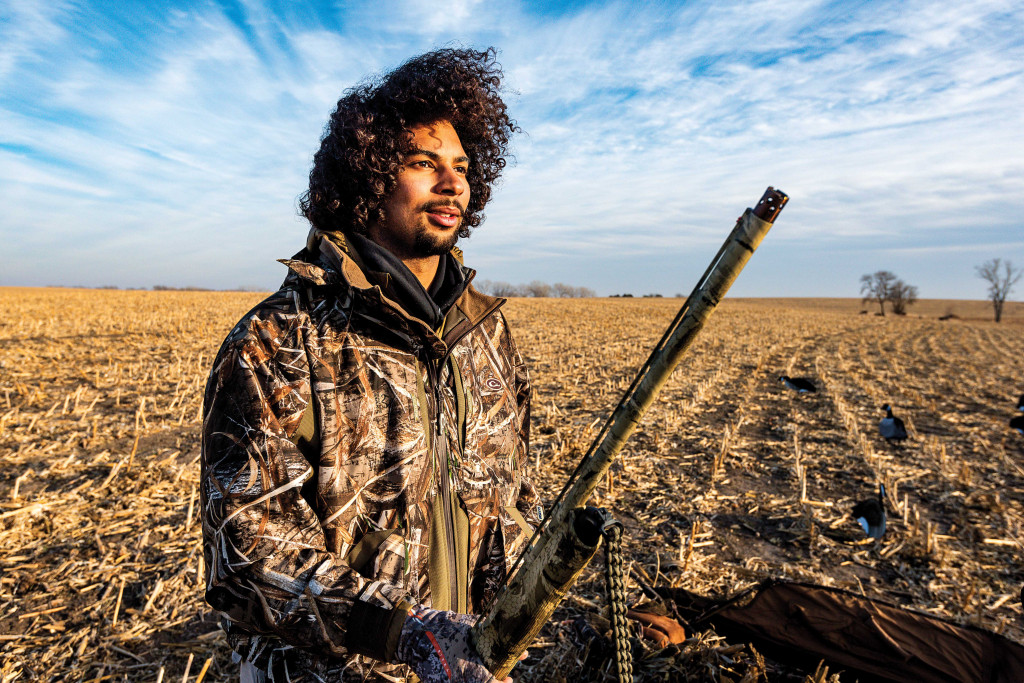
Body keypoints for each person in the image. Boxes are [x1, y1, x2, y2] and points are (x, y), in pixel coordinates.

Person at [200, 48, 541, 682]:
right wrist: (404, 633)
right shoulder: (277, 341)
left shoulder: (485, 333)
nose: (453, 183)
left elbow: (515, 498)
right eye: (423, 163)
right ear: (366, 179)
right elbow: (244, 548)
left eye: (462, 167)